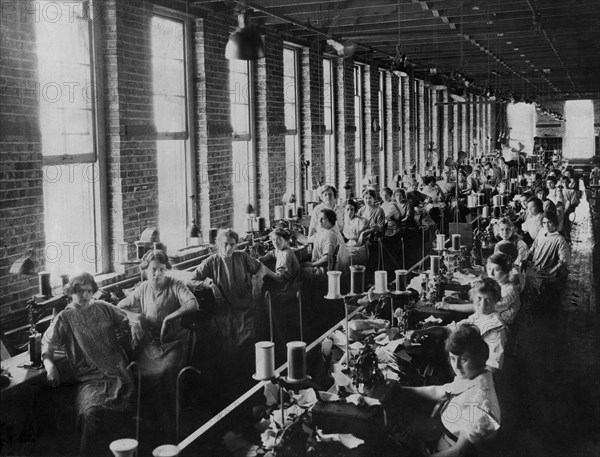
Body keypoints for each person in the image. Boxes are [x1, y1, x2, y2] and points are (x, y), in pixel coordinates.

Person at [42, 273, 134, 457]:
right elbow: (47, 344)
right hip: (89, 379)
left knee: (122, 409)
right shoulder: (65, 317)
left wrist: (135, 323)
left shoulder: (103, 307)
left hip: (117, 372)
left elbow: (128, 318)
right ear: (71, 293)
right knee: (91, 413)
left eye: (89, 291)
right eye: (80, 291)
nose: (85, 295)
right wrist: (50, 366)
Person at [118, 250, 198, 424]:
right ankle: (151, 418)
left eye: (162, 269)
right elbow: (120, 307)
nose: (158, 273)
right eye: (153, 269)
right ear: (145, 270)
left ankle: (172, 418)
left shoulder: (175, 284)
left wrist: (171, 317)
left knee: (166, 372)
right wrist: (134, 319)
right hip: (152, 345)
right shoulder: (143, 288)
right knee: (139, 372)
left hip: (175, 342)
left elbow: (193, 303)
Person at [403, 324, 500, 457]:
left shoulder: (479, 402)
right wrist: (404, 390)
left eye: (464, 359)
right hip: (447, 439)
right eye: (453, 359)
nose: (457, 366)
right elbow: (440, 391)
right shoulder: (472, 376)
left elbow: (458, 452)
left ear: (479, 357)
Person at [424, 278, 507, 372]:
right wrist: (424, 331)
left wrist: (470, 382)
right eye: (479, 299)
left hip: (473, 373)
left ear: (496, 301)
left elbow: (493, 365)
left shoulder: (496, 328)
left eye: (488, 300)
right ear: (473, 299)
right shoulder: (477, 316)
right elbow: (449, 330)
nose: (483, 305)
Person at [525, 211, 570, 308]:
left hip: (545, 269)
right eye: (544, 223)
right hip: (534, 266)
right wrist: (528, 255)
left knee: (535, 288)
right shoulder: (541, 232)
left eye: (549, 222)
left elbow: (564, 260)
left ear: (555, 223)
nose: (547, 225)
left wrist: (552, 271)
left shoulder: (559, 240)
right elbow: (534, 246)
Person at [295, 207, 349, 281]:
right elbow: (307, 240)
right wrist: (293, 232)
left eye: (323, 219)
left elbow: (326, 259)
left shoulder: (331, 234)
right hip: (325, 267)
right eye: (318, 218)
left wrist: (310, 264)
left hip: (328, 272)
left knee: (298, 270)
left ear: (330, 220)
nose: (319, 221)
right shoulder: (323, 230)